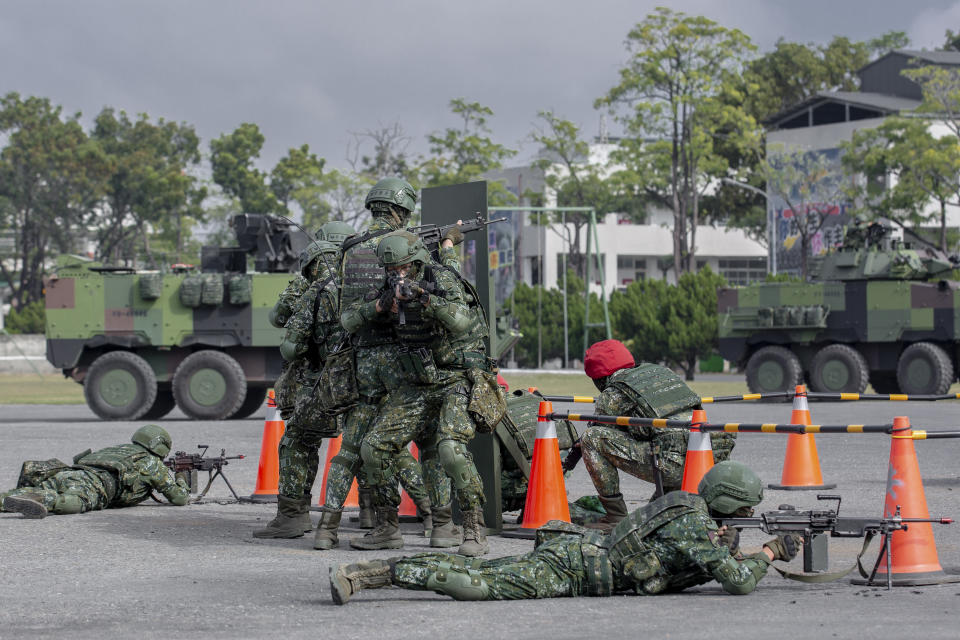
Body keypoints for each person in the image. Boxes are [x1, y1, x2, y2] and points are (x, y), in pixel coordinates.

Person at [329, 461, 801, 603]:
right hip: (574, 569)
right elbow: (737, 582)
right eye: (743, 508)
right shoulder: (697, 525)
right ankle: (369, 576)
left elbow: (683, 554)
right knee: (476, 584)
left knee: (478, 572)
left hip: (579, 554)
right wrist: (768, 553)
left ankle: (373, 574)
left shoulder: (688, 507)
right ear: (727, 504)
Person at [314, 178, 452, 551]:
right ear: (400, 210)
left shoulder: (349, 250)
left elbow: (344, 314)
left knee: (353, 447)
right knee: (429, 444)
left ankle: (326, 528)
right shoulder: (409, 247)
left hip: (364, 361)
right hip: (407, 361)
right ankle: (439, 525)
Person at [353, 229, 498, 555]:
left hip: (456, 378)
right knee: (373, 448)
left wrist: (423, 298)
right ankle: (386, 527)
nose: (397, 274)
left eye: (403, 268)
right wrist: (380, 306)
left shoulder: (440, 279)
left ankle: (475, 531)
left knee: (449, 449)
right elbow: (349, 320)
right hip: (417, 382)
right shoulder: (389, 287)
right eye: (391, 270)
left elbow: (461, 321)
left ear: (417, 260)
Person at [577, 339, 736, 530]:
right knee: (651, 521)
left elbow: (599, 430)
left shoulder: (614, 392)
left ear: (598, 378)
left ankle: (615, 517)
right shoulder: (662, 372)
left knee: (592, 439)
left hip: (671, 465)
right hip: (705, 460)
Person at [1, 425, 190, 518]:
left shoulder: (119, 449)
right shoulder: (151, 463)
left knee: (19, 495)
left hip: (67, 473)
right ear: (160, 447)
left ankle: (5, 499)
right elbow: (179, 498)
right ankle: (42, 500)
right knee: (75, 502)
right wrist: (181, 476)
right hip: (92, 484)